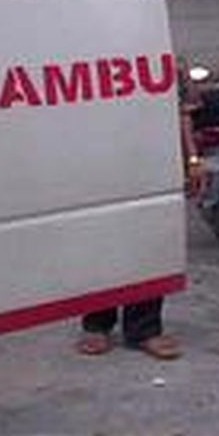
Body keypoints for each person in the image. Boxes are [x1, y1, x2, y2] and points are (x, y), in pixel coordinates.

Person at [75, 75, 206, 359]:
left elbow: (182, 113)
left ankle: (144, 328)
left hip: (151, 161)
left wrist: (192, 159)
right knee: (102, 241)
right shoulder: (83, 58)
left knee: (150, 243)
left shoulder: (163, 60)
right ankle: (97, 322)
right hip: (96, 159)